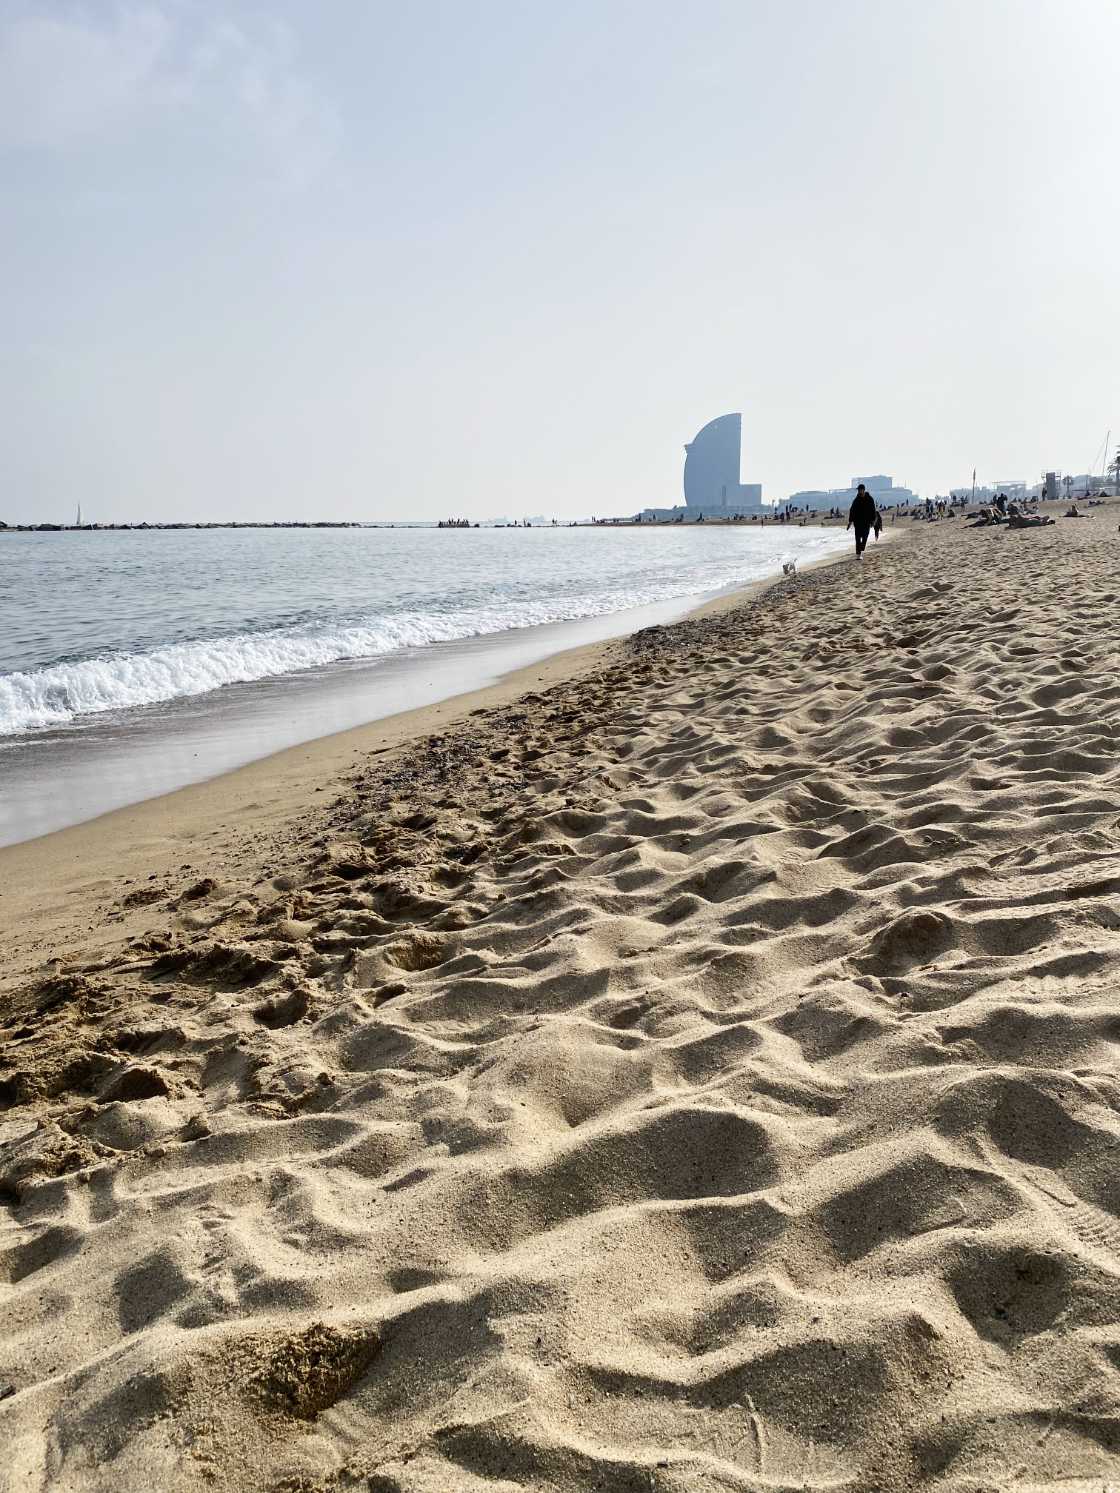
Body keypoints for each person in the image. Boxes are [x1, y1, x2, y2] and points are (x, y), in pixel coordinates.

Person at [847, 482, 878, 558]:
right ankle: (858, 555)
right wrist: (850, 522)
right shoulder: (856, 500)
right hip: (857, 522)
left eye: (860, 490)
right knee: (857, 538)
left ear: (863, 490)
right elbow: (852, 510)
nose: (859, 491)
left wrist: (873, 520)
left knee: (865, 537)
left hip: (866, 522)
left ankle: (861, 548)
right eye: (858, 490)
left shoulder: (870, 499)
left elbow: (873, 510)